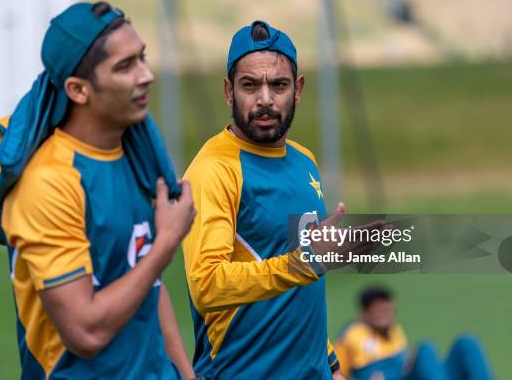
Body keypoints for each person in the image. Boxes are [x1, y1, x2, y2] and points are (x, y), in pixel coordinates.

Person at [0, 2, 196, 379]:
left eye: (142, 57)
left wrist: (186, 373)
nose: (147, 75)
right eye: (125, 66)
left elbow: (147, 285)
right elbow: (85, 332)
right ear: (78, 90)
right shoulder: (49, 182)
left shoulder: (135, 154)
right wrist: (167, 243)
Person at [181, 20, 346, 379]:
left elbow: (301, 292)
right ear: (229, 92)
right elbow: (206, 286)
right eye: (250, 85)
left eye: (279, 85)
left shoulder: (305, 162)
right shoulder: (213, 170)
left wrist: (330, 362)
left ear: (298, 90)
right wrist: (306, 262)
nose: (266, 100)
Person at [335, 287, 493, 380]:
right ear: (365, 313)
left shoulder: (394, 330)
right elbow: (334, 374)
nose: (387, 317)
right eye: (381, 312)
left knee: (466, 343)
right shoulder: (351, 335)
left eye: (389, 312)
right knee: (425, 349)